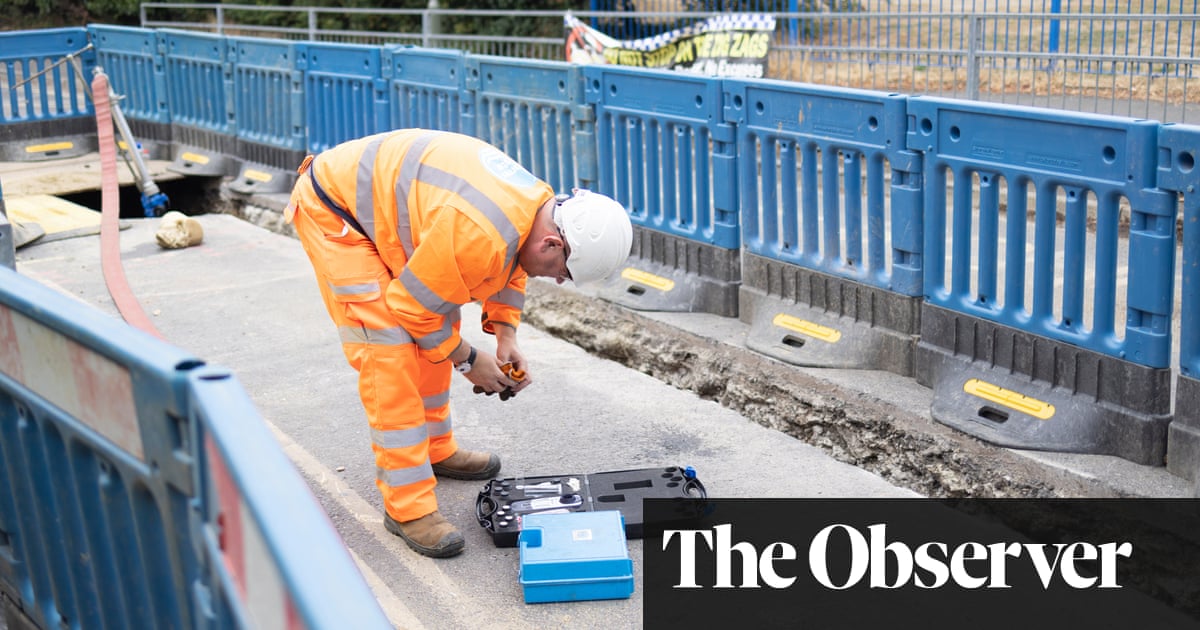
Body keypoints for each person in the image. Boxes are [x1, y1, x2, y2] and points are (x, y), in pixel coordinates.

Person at [284, 129, 633, 558]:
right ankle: (406, 507)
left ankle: (434, 448)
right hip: (337, 215)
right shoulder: (480, 233)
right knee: (388, 353)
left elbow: (510, 264)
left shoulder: (536, 208)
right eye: (562, 270)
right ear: (553, 242)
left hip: (381, 212)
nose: (557, 279)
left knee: (440, 312)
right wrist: (469, 361)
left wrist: (505, 335)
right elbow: (411, 308)